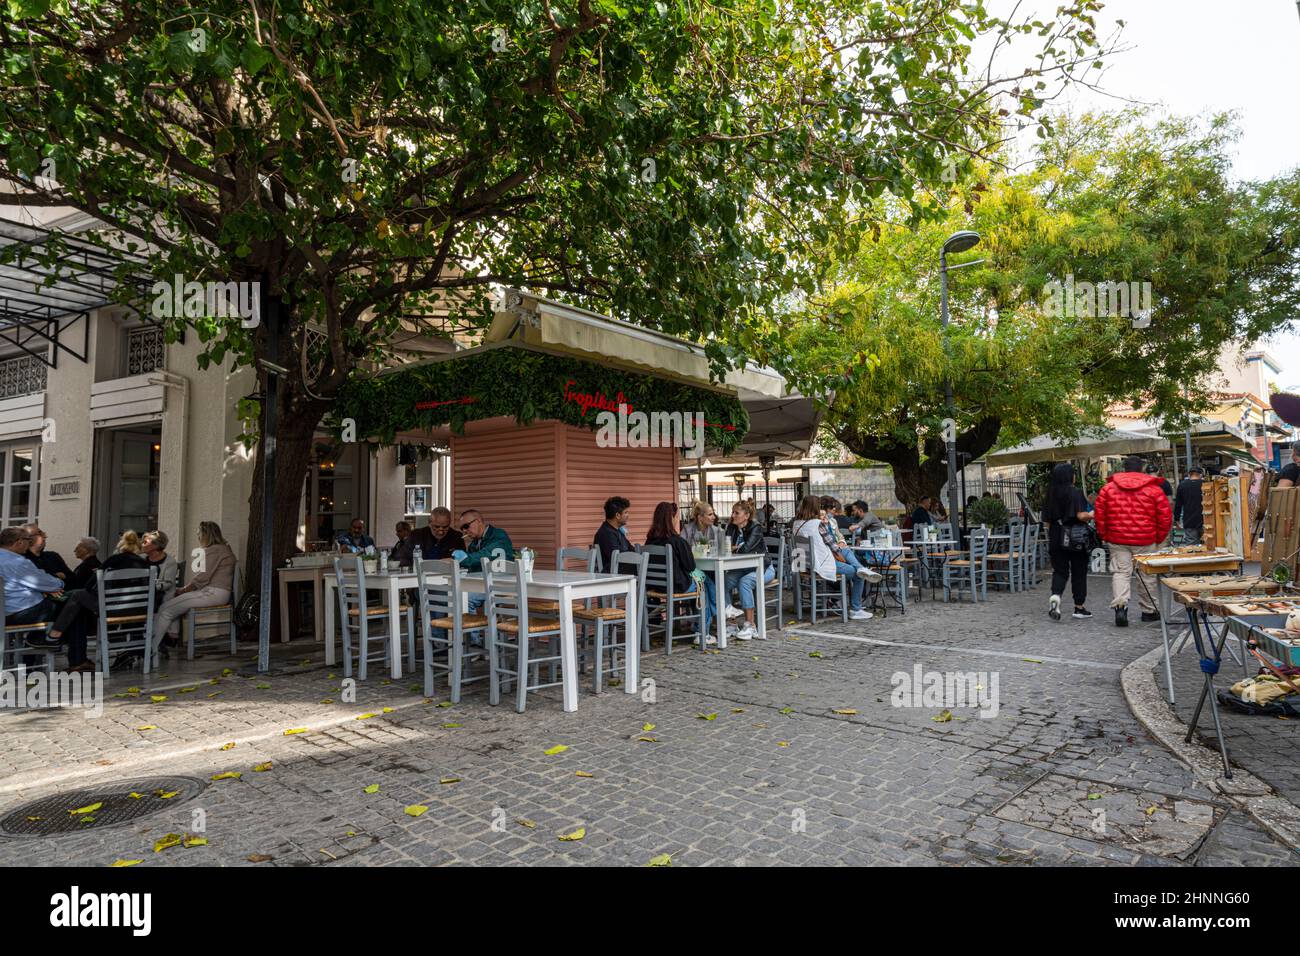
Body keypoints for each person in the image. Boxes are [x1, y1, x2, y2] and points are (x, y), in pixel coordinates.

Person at [49, 531, 150, 670]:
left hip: (112, 609)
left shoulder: (112, 560)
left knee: (78, 595)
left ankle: (56, 632)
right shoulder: (145, 564)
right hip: (138, 609)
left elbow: (90, 586)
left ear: (120, 547)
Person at [1093, 456, 1173, 627]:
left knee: (1121, 572)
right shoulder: (1154, 489)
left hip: (1117, 538)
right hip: (1145, 539)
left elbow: (1100, 515)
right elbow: (1165, 517)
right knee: (1146, 575)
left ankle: (1120, 606)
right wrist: (1158, 538)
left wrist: (1104, 535)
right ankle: (1149, 610)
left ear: (1124, 468)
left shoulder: (1108, 489)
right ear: (1142, 469)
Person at [150, 522, 236, 654]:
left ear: (206, 535)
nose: (198, 538)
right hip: (217, 592)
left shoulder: (214, 550)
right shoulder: (224, 548)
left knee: (165, 609)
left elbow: (202, 577)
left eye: (199, 534)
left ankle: (151, 649)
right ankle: (171, 635)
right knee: (170, 606)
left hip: (213, 593)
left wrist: (183, 590)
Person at [0, 526, 77, 664]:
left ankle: (38, 643)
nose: (29, 544)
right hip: (22, 612)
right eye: (28, 540)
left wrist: (44, 588)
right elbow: (49, 583)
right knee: (75, 601)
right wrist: (56, 584)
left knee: (75, 601)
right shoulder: (17, 562)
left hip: (6, 612)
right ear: (19, 542)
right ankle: (57, 644)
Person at [644, 501, 718, 644]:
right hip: (676, 585)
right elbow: (690, 566)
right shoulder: (677, 541)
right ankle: (703, 632)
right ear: (671, 519)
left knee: (703, 581)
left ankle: (712, 616)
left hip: (655, 586)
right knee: (703, 584)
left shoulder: (648, 542)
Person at [792, 495, 871, 620]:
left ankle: (861, 568)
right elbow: (833, 547)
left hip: (805, 565)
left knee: (846, 553)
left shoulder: (796, 524)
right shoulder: (817, 524)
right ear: (815, 507)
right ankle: (856, 609)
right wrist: (842, 545)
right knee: (858, 574)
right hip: (822, 564)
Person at [1043, 463, 1094, 621]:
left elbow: (1046, 521)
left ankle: (1056, 596)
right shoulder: (1074, 492)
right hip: (1075, 536)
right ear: (1069, 476)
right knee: (1079, 571)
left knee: (1059, 570)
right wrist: (1092, 514)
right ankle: (1079, 607)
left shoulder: (1050, 493)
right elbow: (1080, 515)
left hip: (1056, 535)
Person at [722, 500, 775, 641]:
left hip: (763, 568)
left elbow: (746, 549)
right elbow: (726, 548)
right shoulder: (731, 528)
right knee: (723, 581)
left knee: (744, 582)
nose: (733, 515)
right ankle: (732, 623)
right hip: (743, 567)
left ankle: (750, 625)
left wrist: (734, 548)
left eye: (736, 513)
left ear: (746, 515)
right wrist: (733, 548)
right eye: (732, 512)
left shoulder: (755, 527)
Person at [593, 496, 632, 572]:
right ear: (617, 515)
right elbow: (617, 558)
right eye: (626, 512)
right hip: (613, 576)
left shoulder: (617, 531)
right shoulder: (607, 534)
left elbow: (631, 549)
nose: (628, 516)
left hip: (622, 572)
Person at [1173, 466, 1205, 546]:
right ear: (1201, 475)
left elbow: (1178, 504)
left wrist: (1177, 519)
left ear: (1189, 475)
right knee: (1209, 546)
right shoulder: (1206, 484)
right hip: (1206, 520)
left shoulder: (1182, 485)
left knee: (1192, 548)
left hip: (1189, 521)